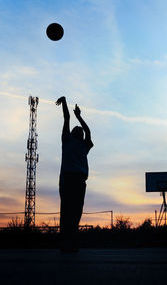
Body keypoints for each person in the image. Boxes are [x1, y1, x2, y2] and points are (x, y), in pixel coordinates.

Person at [56, 96, 94, 252]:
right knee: (66, 210)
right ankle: (65, 242)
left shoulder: (85, 145)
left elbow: (88, 131)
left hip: (79, 179)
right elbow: (66, 118)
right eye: (76, 129)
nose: (79, 130)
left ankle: (71, 240)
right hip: (68, 178)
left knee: (76, 210)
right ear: (72, 133)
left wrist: (80, 116)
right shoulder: (67, 140)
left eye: (80, 130)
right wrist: (64, 102)